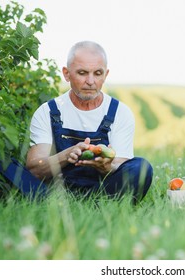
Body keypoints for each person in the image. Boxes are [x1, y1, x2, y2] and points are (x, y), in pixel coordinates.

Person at [26, 41, 153, 202]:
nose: (91, 81)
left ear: (105, 75)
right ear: (66, 74)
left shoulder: (120, 112)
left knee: (141, 168)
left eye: (98, 73)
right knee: (5, 167)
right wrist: (66, 155)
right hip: (55, 192)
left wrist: (106, 167)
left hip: (103, 190)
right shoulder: (48, 111)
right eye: (82, 72)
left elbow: (123, 167)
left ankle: (100, 206)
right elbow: (35, 169)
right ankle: (58, 205)